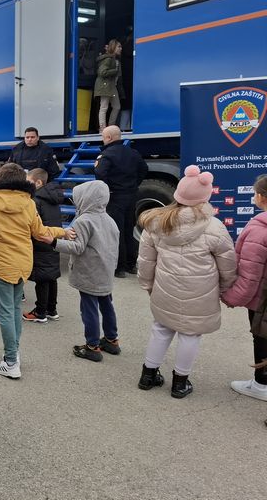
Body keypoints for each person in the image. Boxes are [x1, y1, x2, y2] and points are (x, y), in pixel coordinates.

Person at [0, 163, 73, 379]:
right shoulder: (29, 203)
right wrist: (63, 232)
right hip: (23, 263)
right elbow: (40, 233)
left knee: (6, 312)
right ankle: (15, 352)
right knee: (13, 310)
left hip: (2, 265)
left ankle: (11, 361)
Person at [137, 166, 237, 398]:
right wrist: (222, 288)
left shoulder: (155, 222)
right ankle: (180, 384)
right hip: (201, 292)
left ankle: (148, 375)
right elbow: (228, 266)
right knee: (190, 334)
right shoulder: (215, 227)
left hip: (164, 288)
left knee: (161, 328)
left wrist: (148, 285)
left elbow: (145, 262)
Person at [49, 180, 120, 363]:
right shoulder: (109, 219)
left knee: (88, 309)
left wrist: (54, 242)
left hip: (89, 272)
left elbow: (77, 247)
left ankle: (92, 346)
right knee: (106, 304)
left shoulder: (84, 220)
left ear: (85, 199)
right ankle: (112, 339)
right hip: (105, 270)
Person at [220, 175, 267, 401]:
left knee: (262, 338)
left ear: (261, 197)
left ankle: (261, 384)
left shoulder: (259, 231)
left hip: (262, 303)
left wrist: (230, 297)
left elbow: (250, 278)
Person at [95, 126, 148, 278]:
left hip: (115, 197)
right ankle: (131, 265)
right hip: (131, 196)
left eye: (103, 137)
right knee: (128, 230)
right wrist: (134, 184)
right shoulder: (133, 153)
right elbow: (144, 168)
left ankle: (119, 268)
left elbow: (99, 173)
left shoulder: (106, 155)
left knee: (115, 232)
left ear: (109, 138)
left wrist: (107, 190)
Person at [23, 168, 64, 323]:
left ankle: (40, 312)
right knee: (52, 276)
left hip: (40, 242)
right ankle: (51, 309)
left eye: (29, 182)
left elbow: (33, 225)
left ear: (38, 182)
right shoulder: (53, 198)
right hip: (53, 240)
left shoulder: (35, 200)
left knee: (42, 279)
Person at [95, 39, 123, 131]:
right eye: (119, 47)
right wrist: (115, 71)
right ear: (113, 47)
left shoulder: (115, 59)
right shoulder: (108, 59)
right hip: (105, 86)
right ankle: (102, 129)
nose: (121, 49)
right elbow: (102, 72)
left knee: (116, 106)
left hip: (111, 86)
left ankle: (110, 127)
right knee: (104, 107)